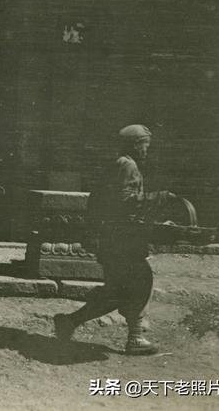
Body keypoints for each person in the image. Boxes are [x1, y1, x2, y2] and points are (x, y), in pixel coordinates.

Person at [53, 124, 176, 355]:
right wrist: (158, 198)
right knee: (140, 281)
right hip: (121, 239)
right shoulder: (128, 165)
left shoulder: (117, 164)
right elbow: (126, 202)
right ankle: (134, 338)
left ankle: (70, 322)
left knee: (118, 290)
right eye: (145, 144)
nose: (147, 149)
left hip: (112, 237)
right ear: (136, 144)